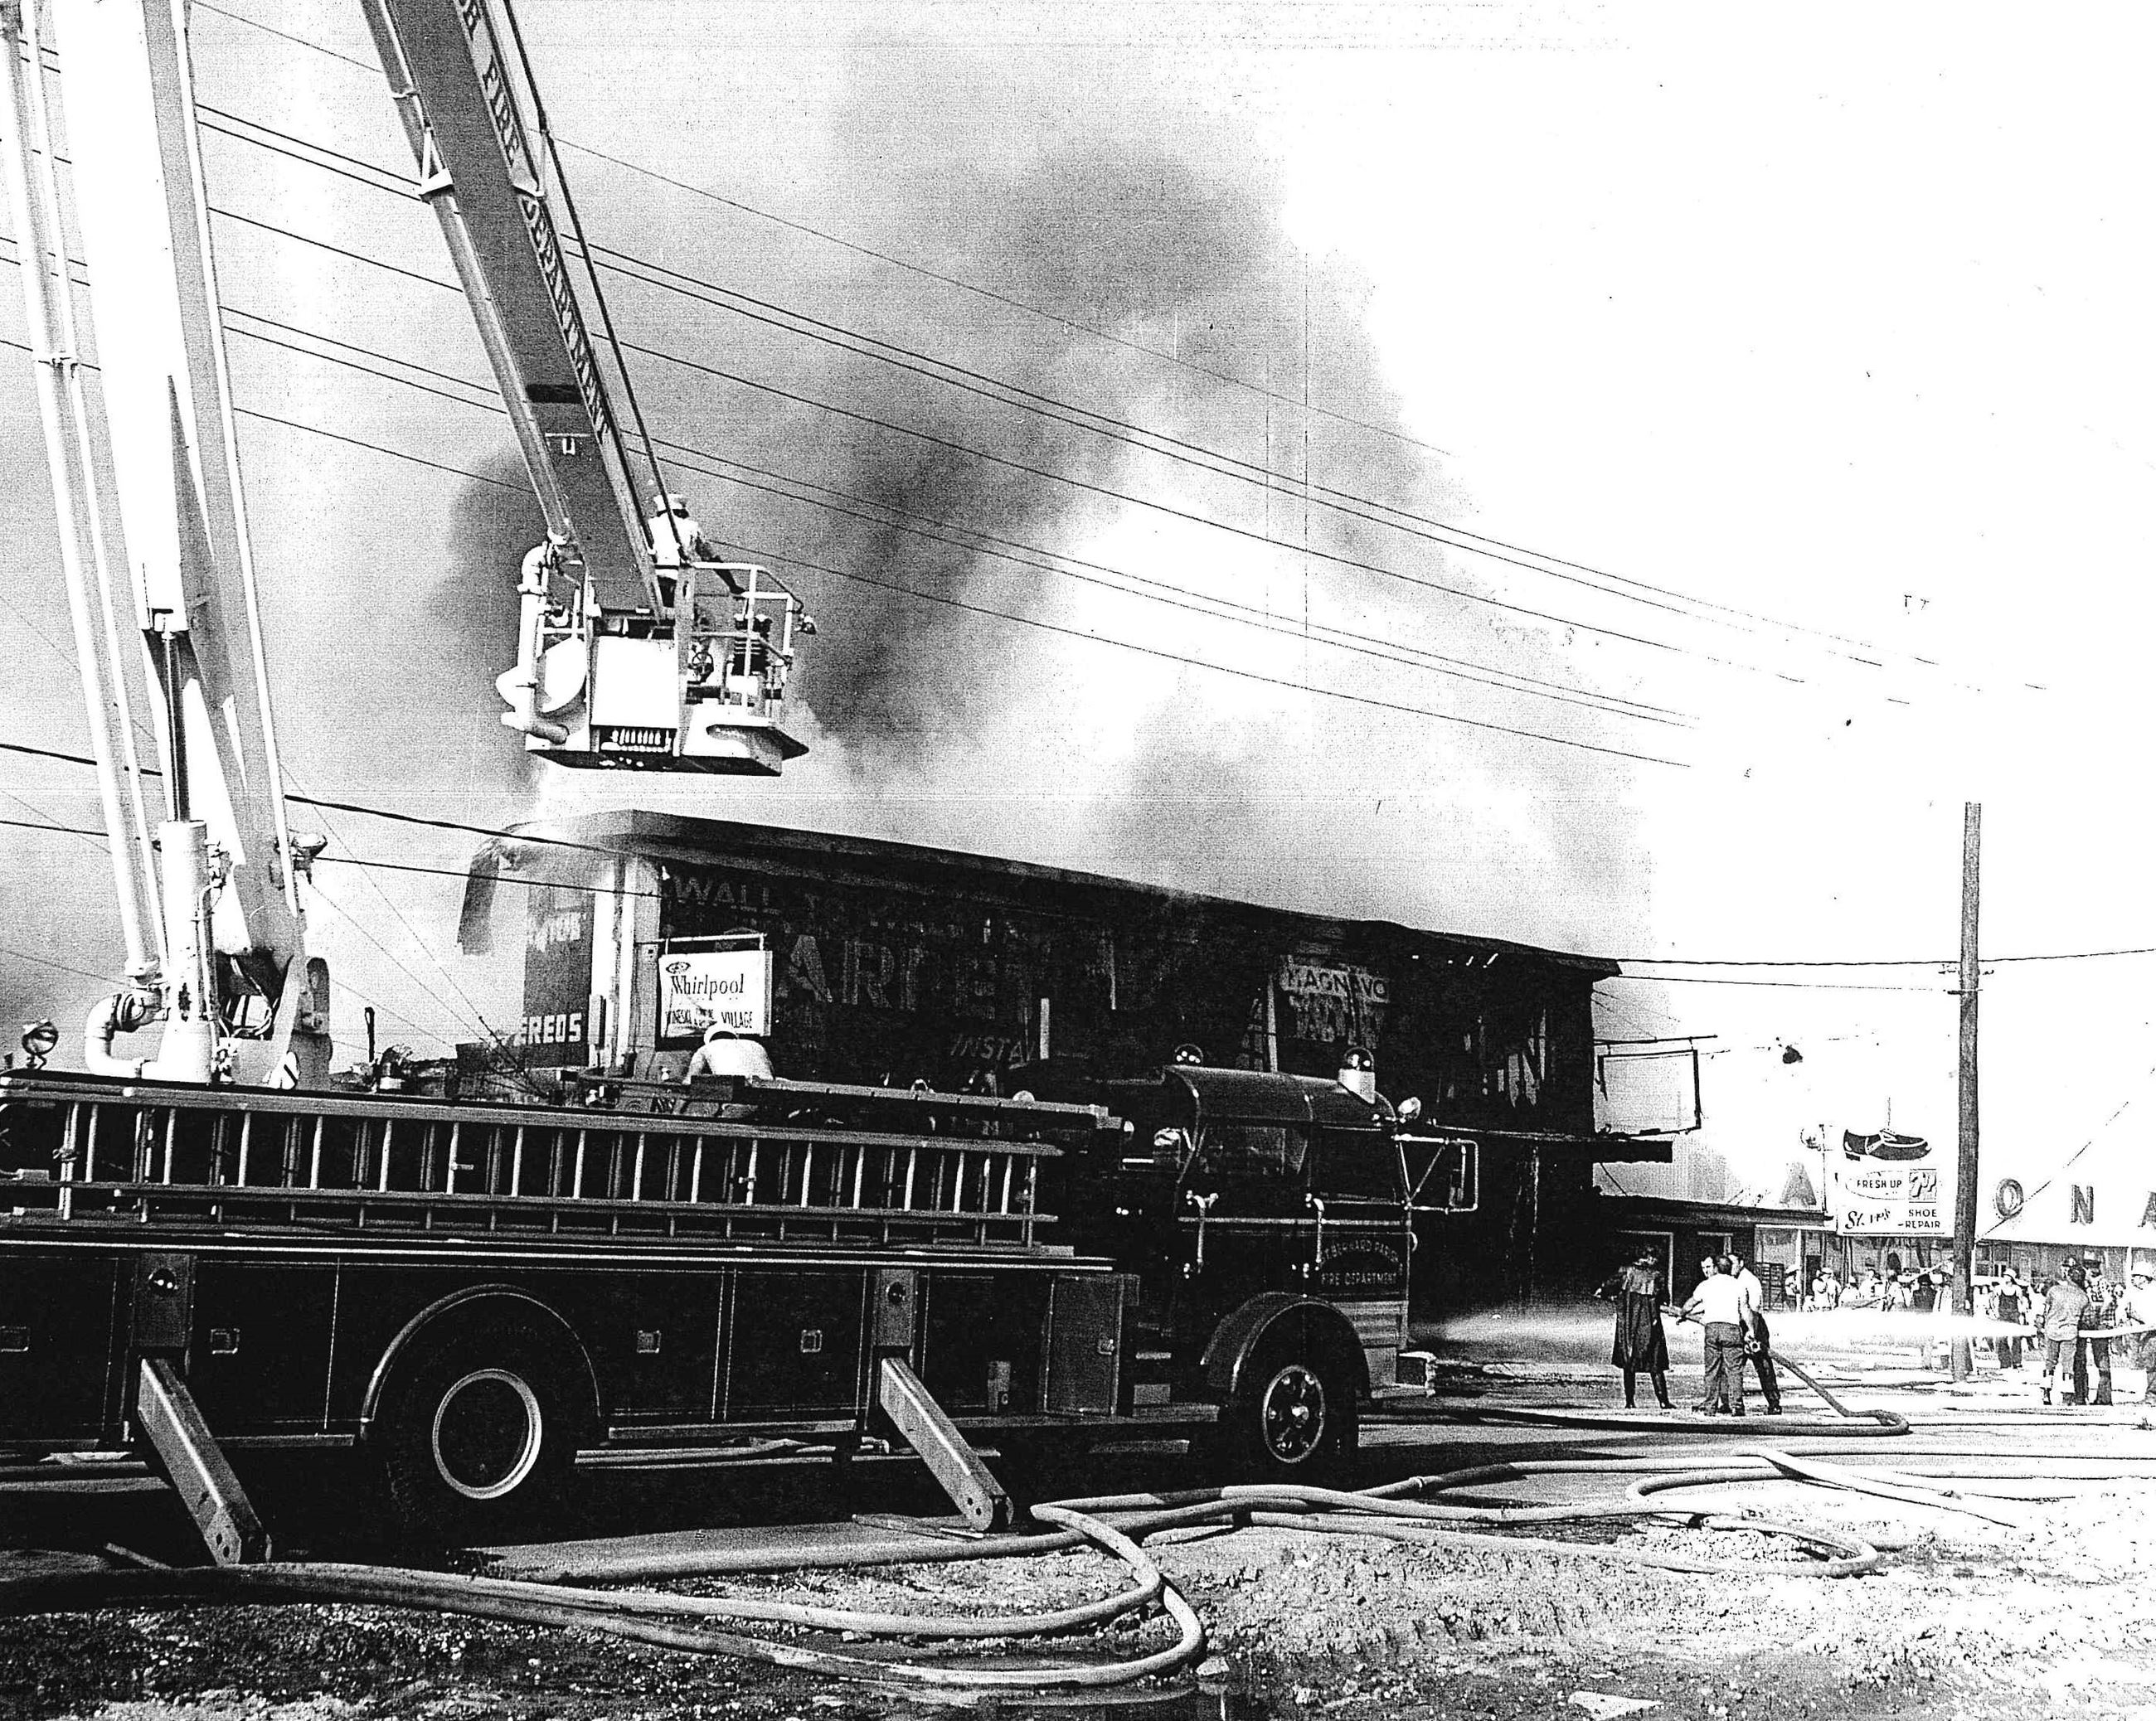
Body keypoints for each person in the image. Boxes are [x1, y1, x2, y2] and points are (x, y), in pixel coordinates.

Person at [1595, 1249, 1673, 1409]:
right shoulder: (1657, 1275)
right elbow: (1665, 1298)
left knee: (1628, 1362)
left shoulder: (1625, 1272)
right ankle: (1663, 1401)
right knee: (1655, 1364)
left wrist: (1608, 1295)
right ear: (1649, 1258)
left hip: (1629, 1324)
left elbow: (1605, 1289)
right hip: (1651, 1323)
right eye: (1655, 1258)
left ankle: (1630, 1402)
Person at [1683, 1255, 1749, 1415]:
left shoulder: (1706, 1285)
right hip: (1732, 1329)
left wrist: (1682, 1313)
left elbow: (1691, 1303)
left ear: (1716, 1268)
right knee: (1734, 1370)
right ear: (1729, 1268)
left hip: (1712, 1329)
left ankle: (1710, 1407)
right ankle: (1737, 1406)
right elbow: (1745, 1310)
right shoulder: (1739, 1285)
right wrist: (1751, 1330)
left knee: (1712, 1370)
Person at [1728, 1253, 1784, 1413]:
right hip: (1737, 1326)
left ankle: (1774, 1402)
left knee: (1763, 1365)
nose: (1731, 1267)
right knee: (1733, 1366)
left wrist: (1751, 1332)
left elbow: (1754, 1309)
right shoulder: (1731, 1280)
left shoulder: (1750, 1281)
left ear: (1741, 1263)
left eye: (1733, 1263)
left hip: (1754, 1326)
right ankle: (1730, 1403)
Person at [2042, 1262, 2091, 1406]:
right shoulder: (2084, 1297)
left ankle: (2046, 1393)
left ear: (2069, 1276)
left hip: (2051, 1330)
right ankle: (2067, 1397)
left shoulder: (2054, 1290)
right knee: (2067, 1366)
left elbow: (2043, 1312)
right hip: (2070, 1332)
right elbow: (2086, 1320)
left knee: (2050, 1363)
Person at [2123, 1267, 2156, 1403]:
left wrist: (2133, 1315)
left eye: (2135, 1276)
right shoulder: (2140, 1293)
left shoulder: (2151, 1293)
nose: (2133, 1279)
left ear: (2143, 1278)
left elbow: (2150, 1318)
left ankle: (2152, 1396)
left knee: (2152, 1365)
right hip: (2147, 1332)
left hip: (2152, 1332)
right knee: (2150, 1364)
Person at [1993, 1269, 2027, 1372]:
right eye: (2004, 1276)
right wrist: (1994, 1312)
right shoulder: (1999, 1288)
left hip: (2014, 1314)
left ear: (2012, 1278)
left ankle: (2017, 1362)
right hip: (2002, 1315)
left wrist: (2023, 1313)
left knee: (2016, 1339)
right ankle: (2004, 1362)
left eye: (2007, 1276)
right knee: (2002, 1339)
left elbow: (2022, 1301)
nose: (2005, 1278)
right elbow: (1993, 1299)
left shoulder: (2017, 1289)